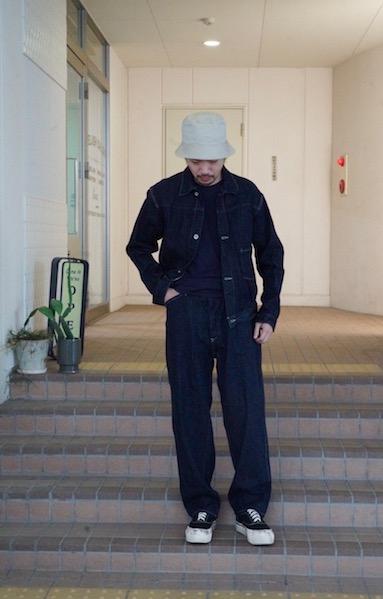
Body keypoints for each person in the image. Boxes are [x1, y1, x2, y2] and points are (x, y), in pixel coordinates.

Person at [126, 112, 284, 546]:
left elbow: (271, 254)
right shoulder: (163, 195)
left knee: (246, 411)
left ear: (224, 156)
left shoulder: (247, 194)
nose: (205, 168)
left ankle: (250, 507)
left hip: (239, 316)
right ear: (186, 157)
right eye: (197, 160)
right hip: (187, 314)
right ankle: (200, 506)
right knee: (190, 410)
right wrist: (165, 291)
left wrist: (268, 312)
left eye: (212, 160)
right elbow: (138, 246)